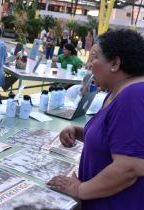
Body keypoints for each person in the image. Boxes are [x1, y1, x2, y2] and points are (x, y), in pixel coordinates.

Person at [47, 29, 144, 210]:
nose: (89, 65)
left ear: (114, 63)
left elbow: (130, 167)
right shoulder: (116, 92)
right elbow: (115, 139)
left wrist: (80, 189)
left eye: (94, 57)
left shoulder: (134, 95)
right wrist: (79, 132)